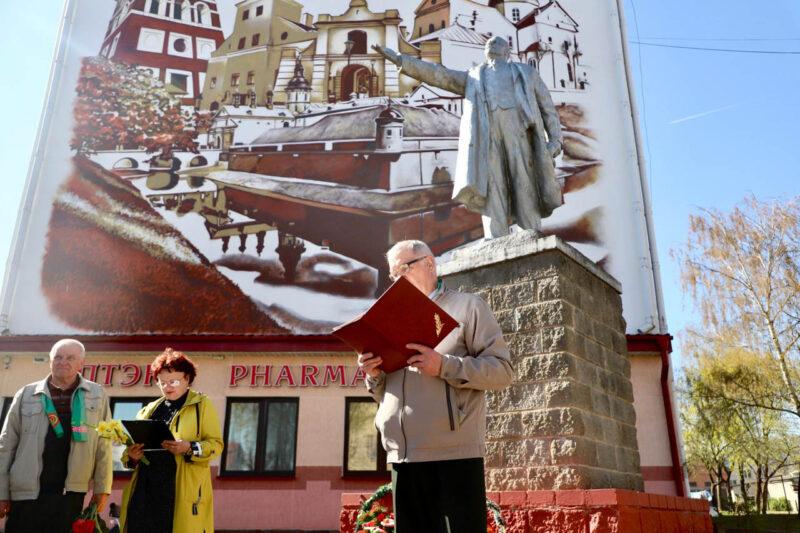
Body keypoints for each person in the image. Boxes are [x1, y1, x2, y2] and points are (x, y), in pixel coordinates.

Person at [358, 240, 513, 532]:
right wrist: (374, 374)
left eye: (404, 268)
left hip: (454, 453)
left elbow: (502, 371)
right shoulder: (387, 317)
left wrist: (443, 365)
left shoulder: (468, 307)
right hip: (402, 456)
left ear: (429, 263)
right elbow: (383, 393)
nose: (396, 280)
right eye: (393, 274)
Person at [373, 37, 563, 239]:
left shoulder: (527, 73)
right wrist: (401, 60)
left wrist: (555, 140)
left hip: (520, 133)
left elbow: (548, 109)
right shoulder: (474, 76)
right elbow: (439, 75)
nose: (493, 43)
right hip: (486, 136)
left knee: (523, 181)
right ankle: (496, 239)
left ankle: (530, 233)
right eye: (489, 43)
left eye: (497, 43)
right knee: (492, 185)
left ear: (507, 52)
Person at [0, 338, 112, 533]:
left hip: (70, 493)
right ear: (49, 360)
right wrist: (1, 491)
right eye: (58, 357)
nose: (63, 362)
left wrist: (103, 488)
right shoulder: (26, 394)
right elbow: (6, 445)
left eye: (70, 357)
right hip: (27, 493)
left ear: (81, 363)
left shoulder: (97, 395)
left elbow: (104, 444)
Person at [119, 348, 223, 533]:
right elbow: (130, 454)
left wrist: (188, 447)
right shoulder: (148, 409)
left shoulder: (202, 405)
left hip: (178, 490)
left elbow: (216, 445)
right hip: (145, 488)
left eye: (174, 381)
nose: (168, 387)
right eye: (162, 382)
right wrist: (132, 455)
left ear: (188, 379)